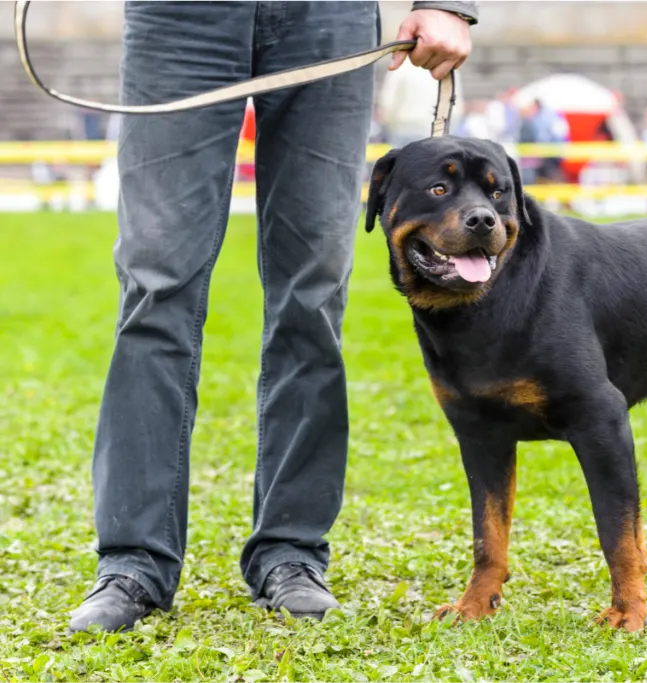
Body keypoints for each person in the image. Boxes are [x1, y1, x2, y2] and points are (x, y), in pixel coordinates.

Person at [68, 0, 477, 634]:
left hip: (327, 17)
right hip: (178, 19)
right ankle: (133, 562)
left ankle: (291, 551)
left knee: (312, 292)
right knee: (156, 285)